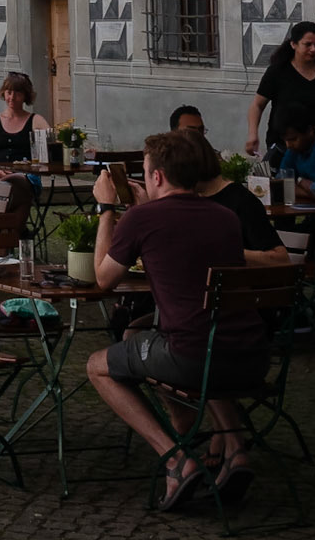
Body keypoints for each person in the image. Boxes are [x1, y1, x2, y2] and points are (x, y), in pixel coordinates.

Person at [88, 132, 269, 511]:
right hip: (251, 356)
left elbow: (104, 279)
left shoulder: (141, 219)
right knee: (175, 331)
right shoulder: (226, 218)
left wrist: (108, 209)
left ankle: (175, 460)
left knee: (97, 367)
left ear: (156, 177)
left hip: (192, 358)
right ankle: (235, 448)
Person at [183, 131, 288, 266]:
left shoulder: (242, 201)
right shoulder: (189, 199)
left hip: (239, 283)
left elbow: (281, 259)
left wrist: (228, 252)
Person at [246, 22, 315, 157]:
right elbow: (257, 105)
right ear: (294, 44)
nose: (313, 49)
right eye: (308, 44)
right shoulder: (278, 71)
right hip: (285, 145)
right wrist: (253, 134)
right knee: (286, 177)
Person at [0, 72, 52, 165]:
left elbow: (51, 148)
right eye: (9, 93)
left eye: (18, 94)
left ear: (25, 96)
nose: (12, 97)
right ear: (3, 93)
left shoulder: (36, 120)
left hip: (26, 174)